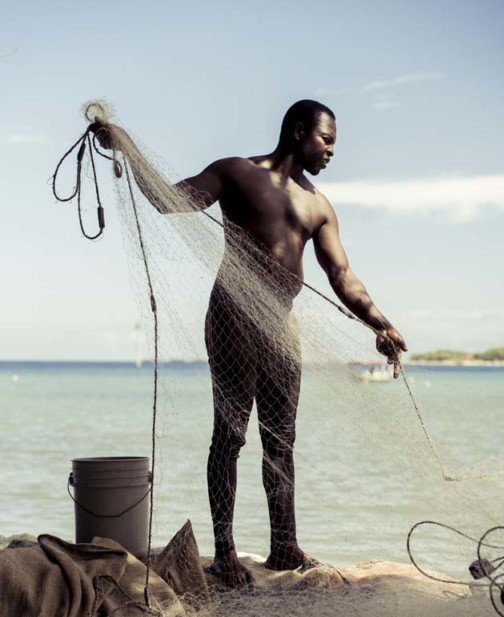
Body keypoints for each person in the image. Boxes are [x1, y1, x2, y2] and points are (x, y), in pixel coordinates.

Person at [96, 100, 407, 589]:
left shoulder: (317, 205)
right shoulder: (236, 172)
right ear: (299, 131)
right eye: (327, 141)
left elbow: (342, 275)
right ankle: (224, 552)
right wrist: (127, 148)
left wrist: (380, 323)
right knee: (232, 434)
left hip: (281, 323)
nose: (331, 152)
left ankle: (285, 545)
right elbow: (169, 200)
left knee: (281, 443)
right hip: (233, 316)